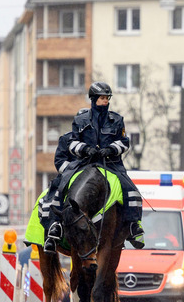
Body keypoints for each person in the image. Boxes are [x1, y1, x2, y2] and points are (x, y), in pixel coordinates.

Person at [43, 82, 144, 253]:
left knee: (131, 189)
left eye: (107, 98)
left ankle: (134, 227)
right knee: (61, 185)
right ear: (94, 99)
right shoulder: (80, 120)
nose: (105, 101)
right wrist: (84, 149)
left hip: (111, 164)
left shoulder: (117, 119)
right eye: (102, 98)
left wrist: (111, 149)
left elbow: (124, 142)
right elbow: (72, 143)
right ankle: (55, 226)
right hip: (84, 163)